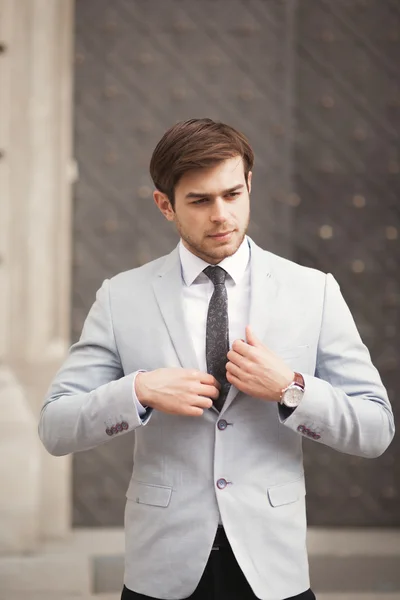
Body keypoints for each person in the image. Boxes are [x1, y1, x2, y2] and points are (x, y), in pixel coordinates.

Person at [38, 118, 395, 600]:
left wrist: (291, 389)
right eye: (200, 201)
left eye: (232, 194)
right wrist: (138, 392)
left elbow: (375, 430)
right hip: (161, 569)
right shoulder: (122, 297)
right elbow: (56, 427)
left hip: (273, 568)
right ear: (165, 205)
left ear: (249, 184)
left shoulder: (314, 291)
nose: (221, 215)